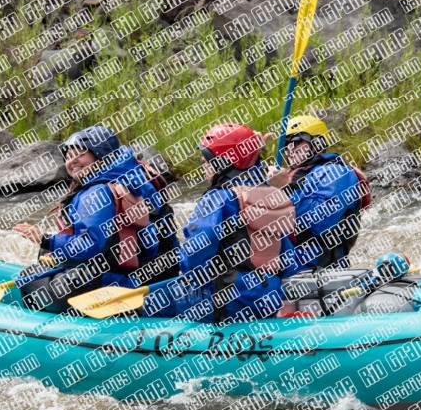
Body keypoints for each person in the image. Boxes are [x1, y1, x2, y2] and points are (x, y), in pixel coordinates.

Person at [145, 123, 297, 322]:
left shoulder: (218, 198)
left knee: (153, 305)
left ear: (223, 162)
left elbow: (194, 255)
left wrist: (187, 275)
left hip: (226, 302)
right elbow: (287, 258)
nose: (202, 160)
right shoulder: (270, 196)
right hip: (268, 298)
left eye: (208, 157)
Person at [14, 125, 179, 307]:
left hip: (107, 284)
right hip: (142, 278)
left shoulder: (96, 192)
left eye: (80, 154)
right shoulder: (133, 178)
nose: (72, 161)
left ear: (100, 155)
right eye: (69, 157)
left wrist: (45, 239)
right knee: (47, 254)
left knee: (29, 276)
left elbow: (92, 244)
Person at [267, 115, 371, 270]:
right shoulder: (283, 175)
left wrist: (286, 189)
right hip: (283, 262)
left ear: (318, 143)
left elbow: (323, 223)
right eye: (285, 144)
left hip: (318, 266)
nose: (288, 149)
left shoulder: (336, 173)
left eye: (295, 142)